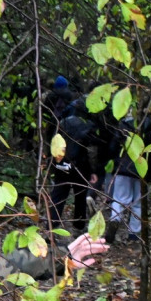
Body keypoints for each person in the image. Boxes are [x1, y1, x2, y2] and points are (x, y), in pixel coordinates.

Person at [48, 99, 101, 233]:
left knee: (58, 195)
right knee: (80, 197)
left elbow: (54, 142)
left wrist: (54, 162)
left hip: (62, 164)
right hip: (80, 167)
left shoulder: (62, 123)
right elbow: (91, 150)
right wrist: (93, 170)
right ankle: (78, 227)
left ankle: (51, 225)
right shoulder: (89, 125)